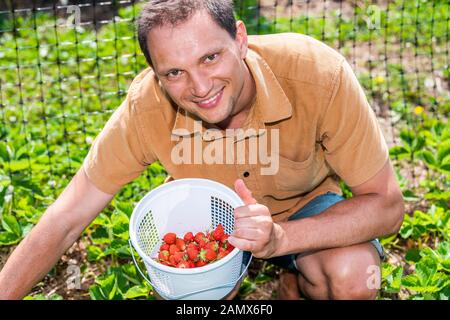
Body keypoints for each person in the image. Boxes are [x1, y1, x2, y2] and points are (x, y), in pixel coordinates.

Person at [0, 0, 404, 300]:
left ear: (241, 40)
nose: (199, 87)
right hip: (208, 226)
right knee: (193, 297)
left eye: (210, 57)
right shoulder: (146, 107)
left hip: (306, 210)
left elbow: (387, 205)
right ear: (156, 75)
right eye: (174, 72)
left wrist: (280, 239)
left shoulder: (319, 74)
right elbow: (67, 217)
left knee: (352, 276)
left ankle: (294, 280)